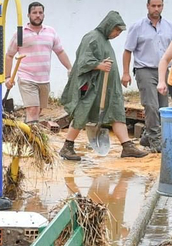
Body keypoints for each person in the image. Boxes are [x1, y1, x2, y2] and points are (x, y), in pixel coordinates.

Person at [58, 11, 149, 160]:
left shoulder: (105, 40)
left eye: (120, 31)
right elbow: (82, 61)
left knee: (117, 112)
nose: (117, 34)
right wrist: (99, 65)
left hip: (108, 88)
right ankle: (67, 147)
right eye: (116, 30)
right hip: (92, 88)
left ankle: (127, 146)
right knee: (82, 113)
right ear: (108, 26)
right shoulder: (92, 38)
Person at [122, 0, 172, 149]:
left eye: (159, 6)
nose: (156, 9)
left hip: (164, 71)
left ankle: (147, 136)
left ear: (163, 6)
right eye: (153, 6)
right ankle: (156, 141)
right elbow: (127, 50)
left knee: (163, 107)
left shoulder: (170, 28)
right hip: (144, 69)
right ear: (147, 6)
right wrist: (126, 73)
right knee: (151, 105)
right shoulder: (137, 27)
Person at [3, 2, 72, 124]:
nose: (37, 15)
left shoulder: (51, 32)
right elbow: (9, 55)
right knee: (33, 109)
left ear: (44, 15)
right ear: (28, 15)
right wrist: (7, 77)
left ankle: (25, 131)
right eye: (34, 13)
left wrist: (69, 67)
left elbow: (60, 52)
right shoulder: (20, 33)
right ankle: (32, 140)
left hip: (44, 79)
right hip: (26, 77)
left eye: (40, 13)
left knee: (38, 110)